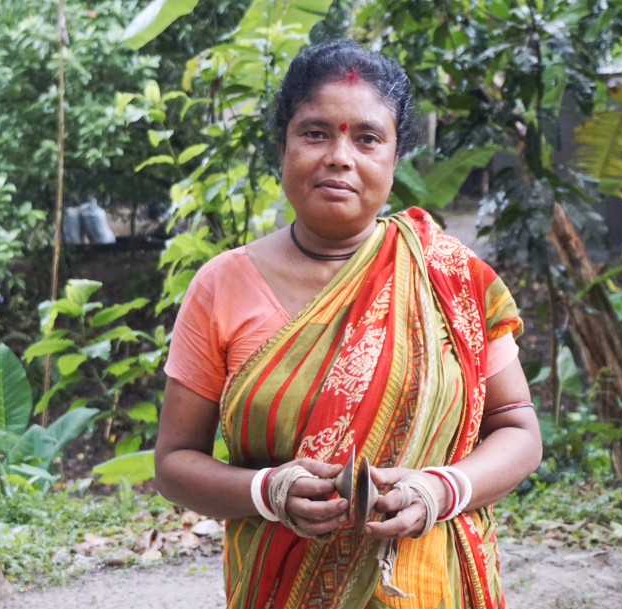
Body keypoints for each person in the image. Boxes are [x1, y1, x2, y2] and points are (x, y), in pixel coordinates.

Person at [154, 39, 542, 609]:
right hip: (279, 587)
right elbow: (173, 463)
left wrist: (441, 489)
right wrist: (269, 490)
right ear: (282, 146)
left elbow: (518, 429)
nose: (340, 156)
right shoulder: (221, 286)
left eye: (367, 138)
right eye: (316, 133)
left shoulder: (452, 277)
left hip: (433, 587)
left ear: (394, 158)